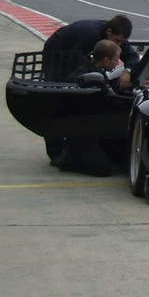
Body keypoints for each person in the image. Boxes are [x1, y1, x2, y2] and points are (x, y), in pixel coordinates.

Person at [41, 15, 140, 164]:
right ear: (108, 32)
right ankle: (57, 153)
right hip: (58, 52)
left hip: (77, 55)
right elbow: (79, 64)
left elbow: (132, 56)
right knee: (58, 99)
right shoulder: (89, 35)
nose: (120, 44)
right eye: (118, 41)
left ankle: (78, 140)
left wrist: (128, 71)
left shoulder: (116, 38)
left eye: (122, 42)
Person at [56, 40, 130, 176]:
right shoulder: (89, 77)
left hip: (98, 127)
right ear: (106, 60)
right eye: (115, 60)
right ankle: (70, 157)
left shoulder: (95, 69)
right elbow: (109, 101)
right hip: (83, 131)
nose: (117, 63)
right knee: (103, 169)